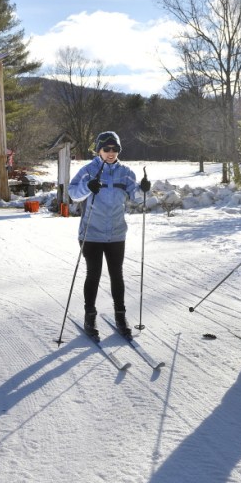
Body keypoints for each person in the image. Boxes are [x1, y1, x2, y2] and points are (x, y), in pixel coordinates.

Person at [68, 131, 151, 339]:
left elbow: (136, 197)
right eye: (107, 149)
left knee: (117, 275)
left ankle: (120, 315)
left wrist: (144, 189)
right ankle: (90, 315)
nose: (111, 153)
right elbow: (73, 194)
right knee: (93, 274)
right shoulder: (88, 171)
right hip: (91, 232)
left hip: (116, 233)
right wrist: (88, 187)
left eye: (115, 149)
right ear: (99, 150)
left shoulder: (126, 172)